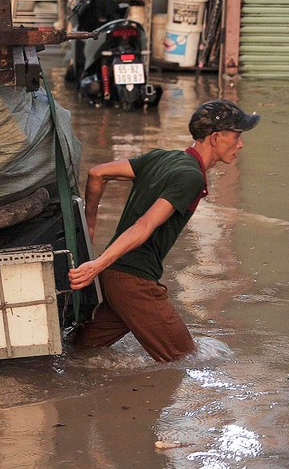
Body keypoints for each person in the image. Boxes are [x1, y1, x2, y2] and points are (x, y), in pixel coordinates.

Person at [68, 99, 261, 362]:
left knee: (79, 352)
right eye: (237, 136)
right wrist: (96, 264)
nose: (241, 144)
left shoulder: (162, 157)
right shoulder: (190, 176)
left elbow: (97, 173)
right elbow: (144, 225)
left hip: (115, 278)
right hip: (133, 282)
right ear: (216, 138)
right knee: (187, 360)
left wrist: (90, 227)